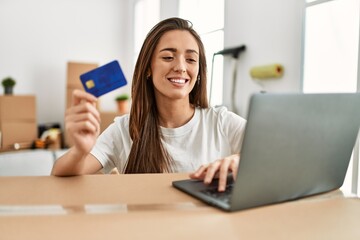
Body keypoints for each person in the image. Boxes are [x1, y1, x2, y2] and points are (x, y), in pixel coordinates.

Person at [51, 17, 246, 192]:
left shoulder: (220, 121)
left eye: (191, 59)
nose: (180, 67)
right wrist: (79, 151)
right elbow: (60, 176)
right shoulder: (124, 129)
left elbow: (272, 150)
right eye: (168, 57)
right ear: (148, 69)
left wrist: (239, 159)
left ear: (199, 71)